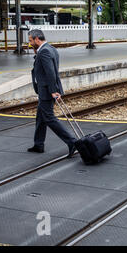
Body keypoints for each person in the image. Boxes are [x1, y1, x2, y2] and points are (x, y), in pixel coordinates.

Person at [27, 29, 77, 157]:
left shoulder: (44, 52)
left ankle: (72, 142)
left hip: (47, 91)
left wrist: (53, 91)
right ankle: (38, 144)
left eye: (31, 40)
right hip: (47, 89)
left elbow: (50, 72)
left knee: (49, 118)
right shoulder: (51, 49)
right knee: (40, 117)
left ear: (37, 39)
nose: (29, 43)